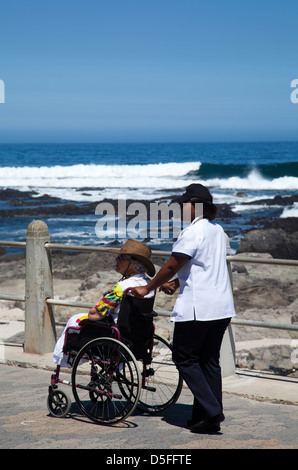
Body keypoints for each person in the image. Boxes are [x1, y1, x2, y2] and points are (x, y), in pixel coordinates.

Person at [131, 183, 235, 434]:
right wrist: (177, 283)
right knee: (209, 361)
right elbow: (203, 266)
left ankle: (212, 409)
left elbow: (172, 264)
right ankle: (207, 418)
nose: (179, 208)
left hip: (198, 308)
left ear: (195, 205)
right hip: (221, 306)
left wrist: (148, 288)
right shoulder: (218, 230)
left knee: (184, 357)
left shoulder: (192, 231)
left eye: (182, 204)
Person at [53, 239, 155, 367]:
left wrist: (91, 312)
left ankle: (62, 361)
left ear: (133, 264)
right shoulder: (148, 285)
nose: (116, 260)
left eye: (121, 257)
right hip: (139, 336)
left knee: (74, 320)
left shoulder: (123, 286)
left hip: (116, 336)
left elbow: (95, 315)